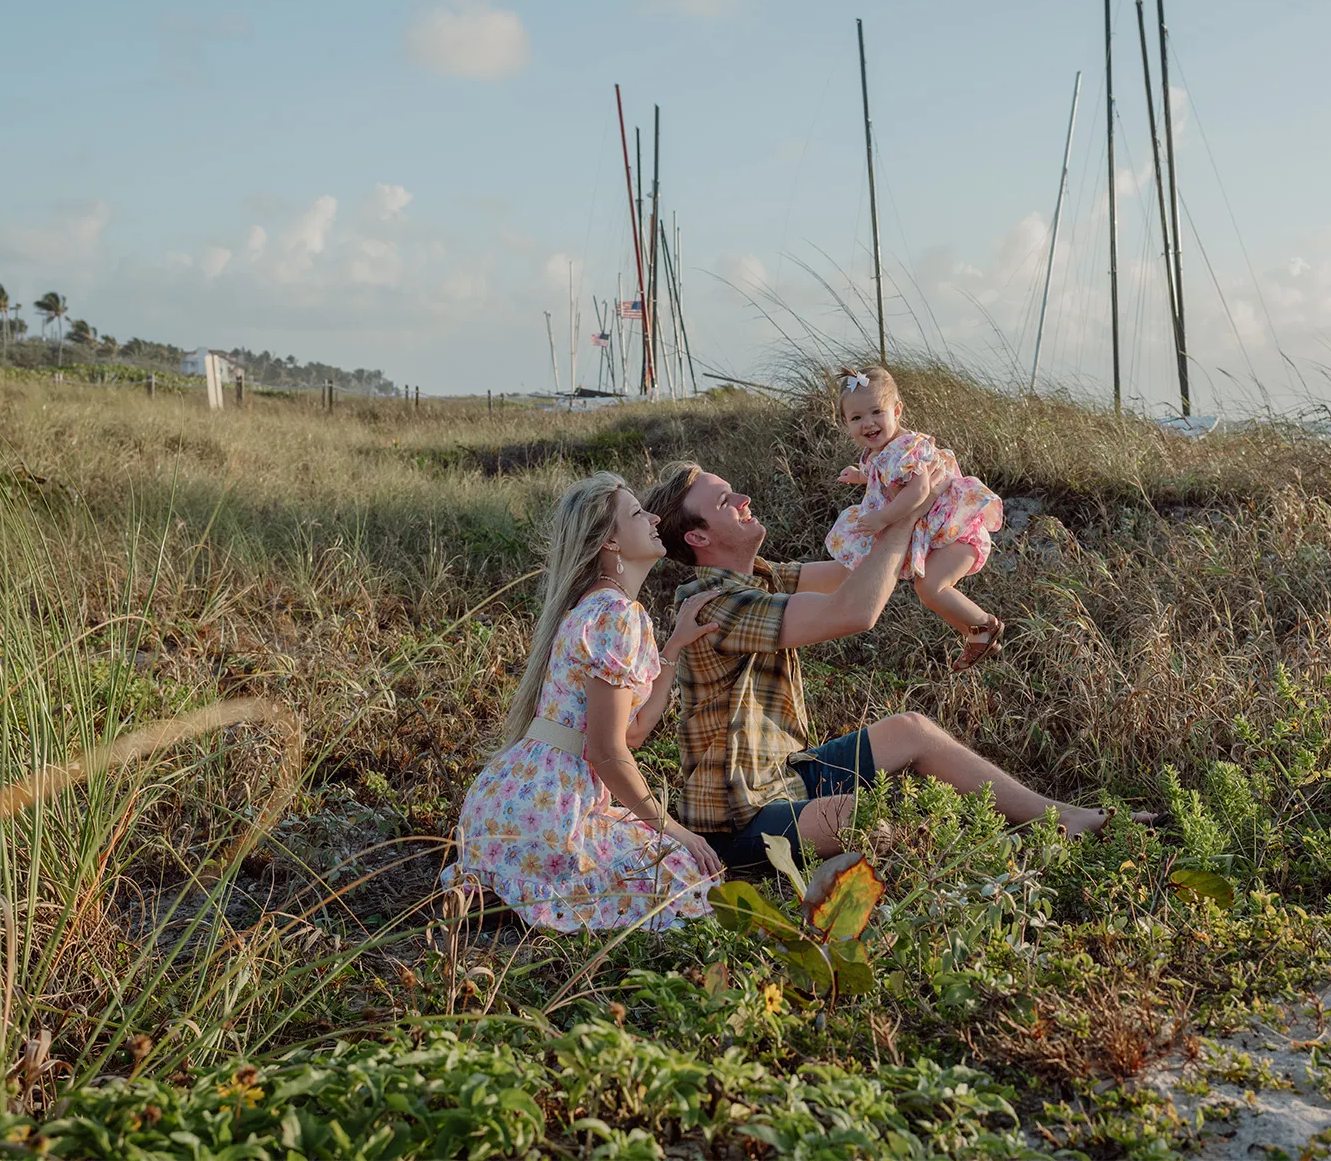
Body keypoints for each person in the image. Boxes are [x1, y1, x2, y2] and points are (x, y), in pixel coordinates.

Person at [640, 459, 1153, 873]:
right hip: (738, 821)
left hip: (787, 777)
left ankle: (1065, 818)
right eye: (724, 501)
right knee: (871, 818)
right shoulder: (714, 605)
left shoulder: (761, 576)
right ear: (699, 538)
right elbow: (856, 611)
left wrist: (919, 498)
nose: (742, 499)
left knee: (913, 731)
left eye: (733, 489)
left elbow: (861, 572)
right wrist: (905, 518)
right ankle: (1016, 856)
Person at [441, 472, 726, 931]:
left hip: (505, 801)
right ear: (609, 542)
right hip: (552, 809)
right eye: (636, 513)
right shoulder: (616, 615)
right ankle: (526, 900)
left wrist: (672, 650)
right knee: (683, 874)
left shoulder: (589, 608)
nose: (653, 516)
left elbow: (629, 733)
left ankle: (505, 894)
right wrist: (674, 828)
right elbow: (608, 753)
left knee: (660, 860)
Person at [824, 365, 1007, 670]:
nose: (868, 423)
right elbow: (883, 475)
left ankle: (984, 627)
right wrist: (861, 476)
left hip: (958, 531)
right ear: (845, 424)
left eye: (876, 412)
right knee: (928, 589)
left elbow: (919, 489)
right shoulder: (880, 451)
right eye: (857, 418)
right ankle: (976, 636)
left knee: (930, 587)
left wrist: (883, 518)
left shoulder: (906, 448)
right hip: (943, 531)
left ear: (897, 411)